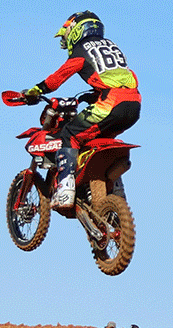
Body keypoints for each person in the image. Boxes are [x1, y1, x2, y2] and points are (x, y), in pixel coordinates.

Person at [20, 11, 141, 209]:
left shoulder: (82, 50)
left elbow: (56, 79)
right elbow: (120, 77)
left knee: (69, 134)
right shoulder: (112, 46)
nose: (65, 38)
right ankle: (116, 193)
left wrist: (34, 91)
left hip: (110, 103)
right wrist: (94, 95)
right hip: (134, 104)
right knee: (98, 139)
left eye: (67, 32)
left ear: (76, 29)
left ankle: (65, 190)